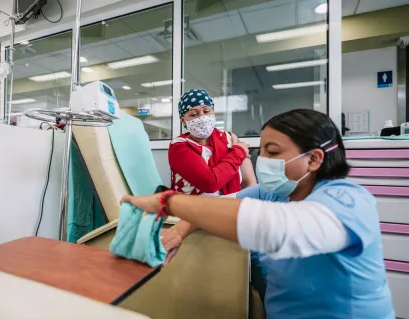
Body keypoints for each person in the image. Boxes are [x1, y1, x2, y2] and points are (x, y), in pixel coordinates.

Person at [122, 109, 394, 319]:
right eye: (260, 151)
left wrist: (169, 201)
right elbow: (222, 205)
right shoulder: (274, 192)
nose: (261, 160)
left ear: (313, 159)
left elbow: (275, 227)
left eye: (272, 152)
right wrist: (178, 232)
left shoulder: (348, 201)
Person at [162, 88, 257, 263]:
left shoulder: (230, 138)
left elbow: (250, 182)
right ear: (183, 119)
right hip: (193, 219)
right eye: (193, 114)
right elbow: (210, 182)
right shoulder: (179, 146)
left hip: (233, 216)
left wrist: (248, 214)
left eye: (207, 111)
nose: (202, 117)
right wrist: (238, 152)